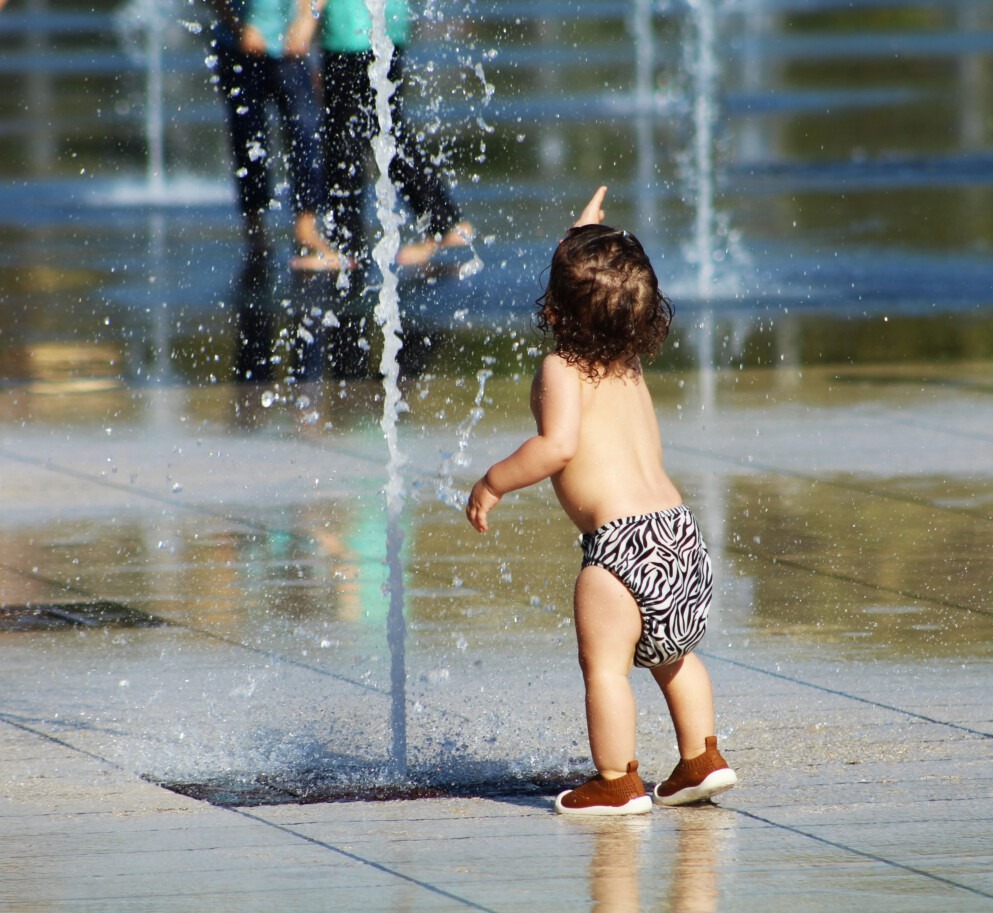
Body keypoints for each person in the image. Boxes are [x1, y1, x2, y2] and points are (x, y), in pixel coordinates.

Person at [466, 187, 736, 816]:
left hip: (619, 548)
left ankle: (615, 782)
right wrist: (583, 234)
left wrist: (494, 481)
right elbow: (598, 285)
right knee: (675, 658)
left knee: (606, 670)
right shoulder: (628, 362)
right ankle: (701, 759)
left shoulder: (562, 367)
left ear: (555, 310)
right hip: (678, 535)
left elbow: (556, 446)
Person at [297, 0, 473, 269]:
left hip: (352, 27)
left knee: (345, 138)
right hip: (386, 20)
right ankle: (442, 220)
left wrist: (307, 17)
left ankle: (346, 246)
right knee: (386, 130)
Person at [206, 0, 341, 267]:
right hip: (238, 46)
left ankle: (306, 227)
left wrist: (307, 21)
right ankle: (255, 228)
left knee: (306, 133)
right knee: (249, 138)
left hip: (290, 47)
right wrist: (239, 27)